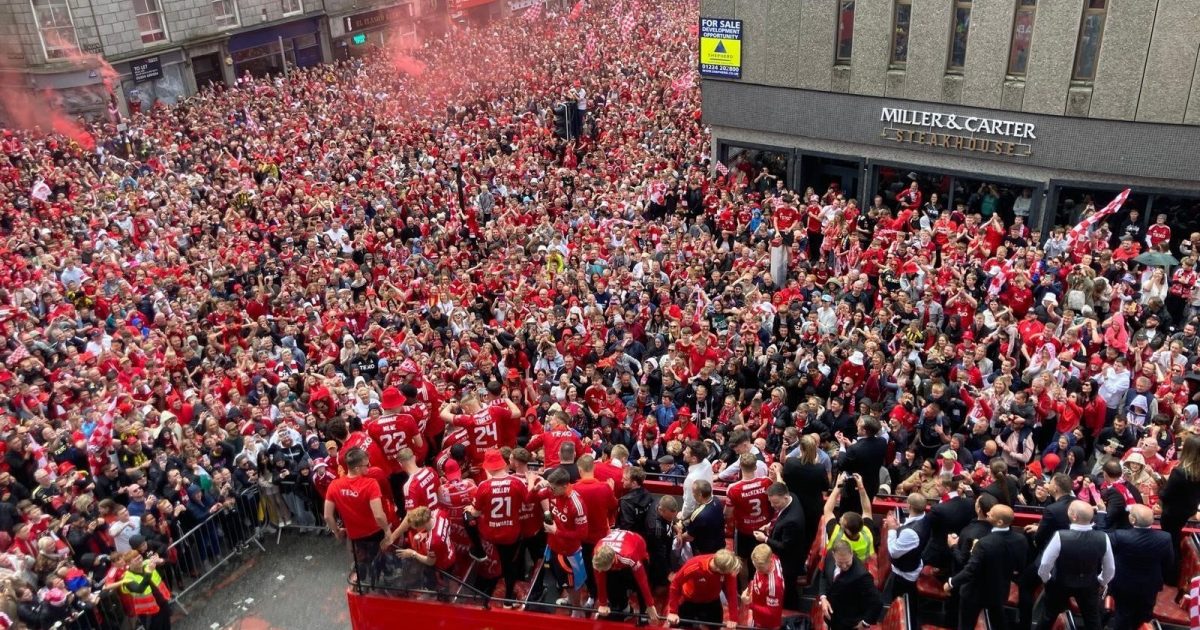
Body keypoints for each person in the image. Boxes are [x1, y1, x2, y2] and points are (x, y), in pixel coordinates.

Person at [944, 504, 1029, 630]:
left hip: (974, 593)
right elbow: (1019, 568)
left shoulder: (984, 543)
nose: (988, 513)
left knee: (966, 625)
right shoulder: (1021, 539)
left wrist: (951, 583)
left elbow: (970, 570)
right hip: (999, 590)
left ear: (1000, 522)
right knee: (997, 621)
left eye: (991, 513)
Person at [1037, 501, 1115, 630]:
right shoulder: (1103, 537)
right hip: (1089, 584)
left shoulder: (1060, 536)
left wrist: (1047, 579)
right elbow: (1110, 568)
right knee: (1093, 621)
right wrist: (1100, 581)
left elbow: (1045, 564)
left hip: (1060, 583)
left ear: (1074, 516)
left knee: (1048, 617)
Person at [324, 447, 393, 589]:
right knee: (380, 558)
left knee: (362, 561)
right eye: (366, 465)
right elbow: (379, 515)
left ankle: (365, 583)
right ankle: (383, 582)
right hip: (374, 533)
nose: (368, 467)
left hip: (355, 535)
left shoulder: (334, 485)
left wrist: (336, 531)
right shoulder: (371, 484)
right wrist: (387, 530)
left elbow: (327, 515)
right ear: (356, 468)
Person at [466, 449, 526, 603]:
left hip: (490, 532)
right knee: (509, 564)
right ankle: (508, 600)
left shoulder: (483, 486)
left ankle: (479, 551)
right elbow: (526, 501)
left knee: (466, 516)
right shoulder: (517, 482)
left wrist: (470, 510)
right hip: (511, 533)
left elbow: (476, 513)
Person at [1108, 504, 1175, 630]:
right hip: (1150, 586)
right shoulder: (1165, 538)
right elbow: (1169, 563)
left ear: (1132, 520)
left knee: (1122, 616)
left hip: (1123, 585)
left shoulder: (1119, 535)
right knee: (1145, 619)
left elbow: (1108, 557)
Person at [538, 468, 588, 611]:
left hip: (569, 552)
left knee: (573, 584)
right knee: (565, 583)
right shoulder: (553, 492)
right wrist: (535, 486)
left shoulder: (576, 504)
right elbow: (532, 497)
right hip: (554, 546)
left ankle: (577, 610)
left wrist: (556, 531)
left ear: (564, 486)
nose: (550, 491)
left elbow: (582, 534)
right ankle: (571, 600)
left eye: (553, 488)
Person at [573, 453, 617, 597]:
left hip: (583, 537)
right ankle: (605, 595)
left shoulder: (573, 489)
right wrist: (611, 489)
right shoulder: (605, 488)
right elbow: (614, 506)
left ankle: (593, 594)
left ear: (580, 470)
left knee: (588, 566)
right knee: (604, 566)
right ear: (594, 468)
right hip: (601, 537)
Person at [592, 529, 659, 623]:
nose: (600, 571)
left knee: (640, 583)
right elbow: (599, 579)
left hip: (637, 547)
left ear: (613, 561)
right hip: (618, 552)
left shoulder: (629, 556)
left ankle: (644, 612)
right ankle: (624, 607)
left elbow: (642, 581)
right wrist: (602, 603)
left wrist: (650, 605)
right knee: (610, 581)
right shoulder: (597, 552)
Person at [756, 482, 805, 609]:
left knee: (788, 589)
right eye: (771, 502)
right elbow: (779, 518)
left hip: (788, 561)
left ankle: (790, 611)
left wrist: (765, 539)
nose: (773, 506)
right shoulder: (792, 496)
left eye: (776, 503)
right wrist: (770, 526)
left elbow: (785, 547)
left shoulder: (792, 521)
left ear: (785, 497)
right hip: (790, 546)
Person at [666, 549, 741, 629]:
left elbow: (731, 593)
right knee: (677, 624)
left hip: (712, 601)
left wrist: (733, 619)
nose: (732, 574)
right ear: (720, 570)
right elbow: (675, 584)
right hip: (689, 600)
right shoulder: (695, 565)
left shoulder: (729, 570)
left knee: (715, 627)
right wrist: (673, 611)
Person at [1159, 433, 1200, 578]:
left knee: (1171, 540)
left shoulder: (1179, 472)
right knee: (1174, 538)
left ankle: (1170, 574)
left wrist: (1162, 486)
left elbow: (1165, 495)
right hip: (1188, 510)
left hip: (1172, 512)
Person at [818, 539, 882, 630]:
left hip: (849, 621)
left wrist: (865, 623)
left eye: (847, 562)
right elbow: (823, 576)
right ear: (833, 555)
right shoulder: (829, 555)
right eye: (840, 563)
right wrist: (823, 598)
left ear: (852, 554)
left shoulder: (862, 575)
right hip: (832, 616)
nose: (844, 566)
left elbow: (877, 601)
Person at [726, 452, 772, 571]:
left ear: (740, 467)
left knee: (742, 560)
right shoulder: (767, 482)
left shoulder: (733, 488)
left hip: (744, 530)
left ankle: (745, 587)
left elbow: (728, 513)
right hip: (764, 529)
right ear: (756, 467)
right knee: (761, 558)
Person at [884, 493, 930, 602]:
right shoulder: (925, 517)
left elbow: (893, 552)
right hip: (910, 566)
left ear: (909, 506)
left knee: (897, 602)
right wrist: (898, 527)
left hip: (903, 576)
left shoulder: (910, 532)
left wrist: (891, 529)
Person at [822, 472, 877, 562]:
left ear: (847, 530)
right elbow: (867, 511)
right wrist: (861, 488)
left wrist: (838, 487)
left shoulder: (836, 534)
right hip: (858, 571)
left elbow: (827, 509)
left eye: (842, 521)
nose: (840, 519)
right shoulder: (867, 534)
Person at [743, 543, 786, 630]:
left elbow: (772, 613)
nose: (758, 570)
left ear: (770, 561)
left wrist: (750, 604)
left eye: (761, 568)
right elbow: (757, 578)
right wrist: (749, 587)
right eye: (756, 567)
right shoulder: (771, 557)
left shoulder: (774, 586)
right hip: (758, 605)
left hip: (767, 623)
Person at [680, 479, 725, 555]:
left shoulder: (699, 515)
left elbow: (689, 537)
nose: (693, 494)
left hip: (705, 551)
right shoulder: (716, 500)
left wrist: (678, 537)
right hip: (720, 544)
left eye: (693, 492)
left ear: (700, 495)